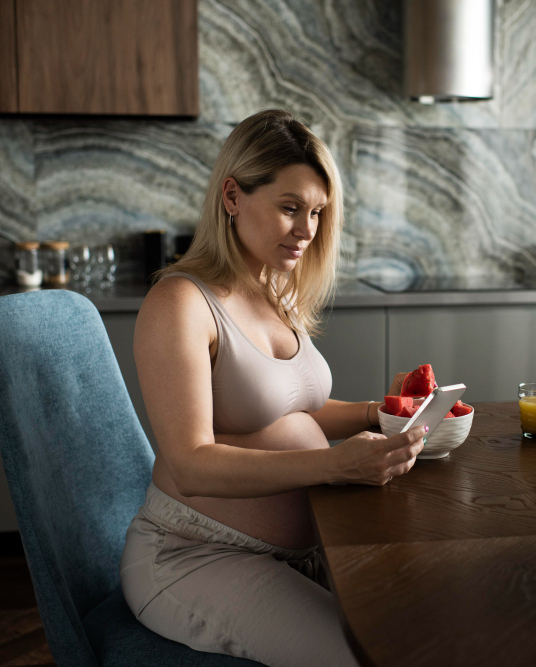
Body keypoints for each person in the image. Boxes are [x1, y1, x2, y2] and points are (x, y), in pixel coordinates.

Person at [119, 109, 426, 666]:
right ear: (232, 196)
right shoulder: (180, 304)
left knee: (422, 630)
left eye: (316, 212)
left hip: (304, 551)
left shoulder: (273, 289)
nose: (308, 231)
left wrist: (380, 412)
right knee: (359, 658)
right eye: (290, 208)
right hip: (194, 557)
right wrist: (335, 466)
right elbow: (190, 463)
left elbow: (291, 413)